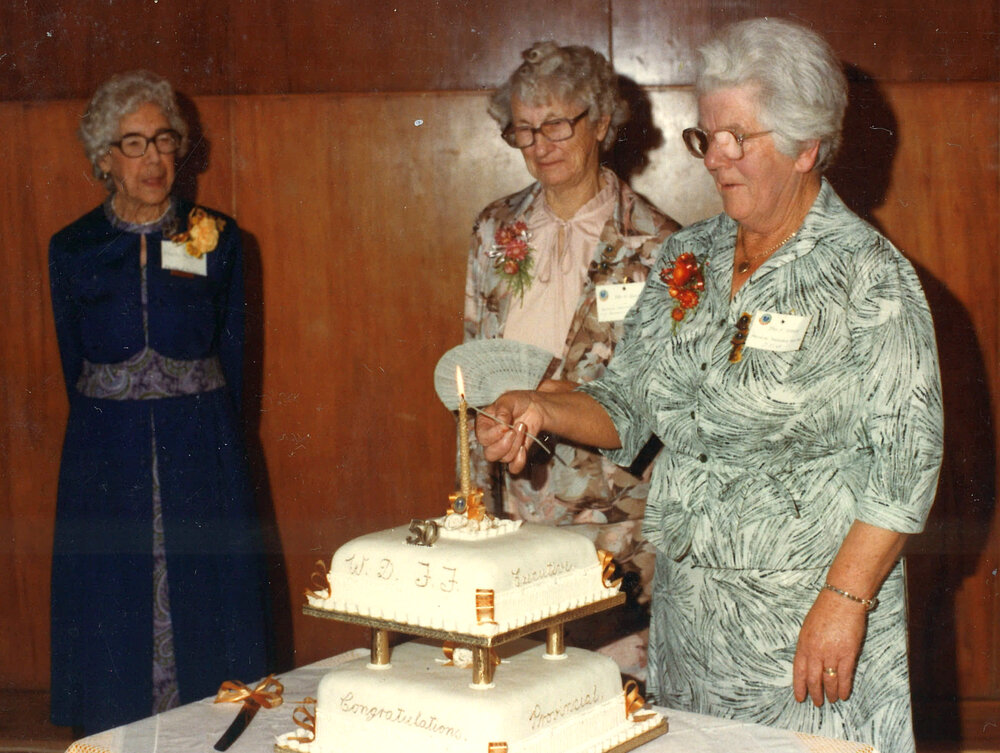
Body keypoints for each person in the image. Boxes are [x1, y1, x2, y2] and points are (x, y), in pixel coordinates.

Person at [476, 19, 942, 753]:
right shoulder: (687, 255)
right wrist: (542, 405)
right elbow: (625, 402)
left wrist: (844, 602)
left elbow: (904, 467)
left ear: (806, 146)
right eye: (706, 138)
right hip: (691, 615)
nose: (716, 159)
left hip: (805, 620)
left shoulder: (867, 277)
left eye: (738, 139)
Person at [48, 70, 271, 734]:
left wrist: (220, 434)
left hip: (200, 440)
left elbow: (233, 352)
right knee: (111, 589)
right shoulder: (75, 247)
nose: (154, 159)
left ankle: (217, 730)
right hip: (104, 446)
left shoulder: (212, 235)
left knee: (211, 587)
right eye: (134, 144)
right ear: (103, 159)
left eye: (165, 140)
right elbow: (71, 358)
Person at [464, 41, 679, 665]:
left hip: (614, 511)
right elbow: (475, 361)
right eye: (524, 129)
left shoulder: (659, 242)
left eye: (558, 124)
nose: (541, 144)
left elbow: (661, 402)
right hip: (515, 498)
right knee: (527, 682)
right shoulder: (493, 228)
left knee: (612, 688)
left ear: (603, 123)